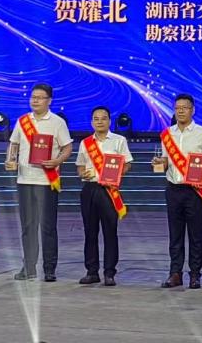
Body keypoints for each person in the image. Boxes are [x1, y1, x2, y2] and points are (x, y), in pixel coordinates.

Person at [7, 83, 72, 281]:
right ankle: (28, 267)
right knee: (28, 227)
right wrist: (11, 159)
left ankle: (49, 269)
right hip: (25, 180)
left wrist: (57, 161)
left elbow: (67, 148)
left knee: (47, 227)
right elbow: (14, 144)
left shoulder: (57, 122)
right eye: (33, 97)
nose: (35, 100)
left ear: (49, 100)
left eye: (39, 97)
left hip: (47, 182)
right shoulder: (23, 121)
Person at [151, 93, 202, 290]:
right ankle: (175, 273)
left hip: (194, 191)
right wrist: (160, 163)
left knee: (195, 235)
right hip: (173, 189)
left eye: (185, 108)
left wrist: (201, 176)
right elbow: (166, 161)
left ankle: (195, 275)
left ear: (192, 110)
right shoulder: (167, 134)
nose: (180, 111)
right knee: (175, 234)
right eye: (177, 108)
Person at [75, 105, 133, 286]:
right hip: (90, 189)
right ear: (92, 122)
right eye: (96, 119)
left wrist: (115, 174)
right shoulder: (85, 143)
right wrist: (82, 173)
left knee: (110, 232)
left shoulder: (119, 141)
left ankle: (109, 272)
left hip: (109, 191)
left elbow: (127, 164)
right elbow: (80, 166)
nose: (99, 121)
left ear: (109, 121)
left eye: (103, 118)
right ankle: (92, 272)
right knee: (90, 232)